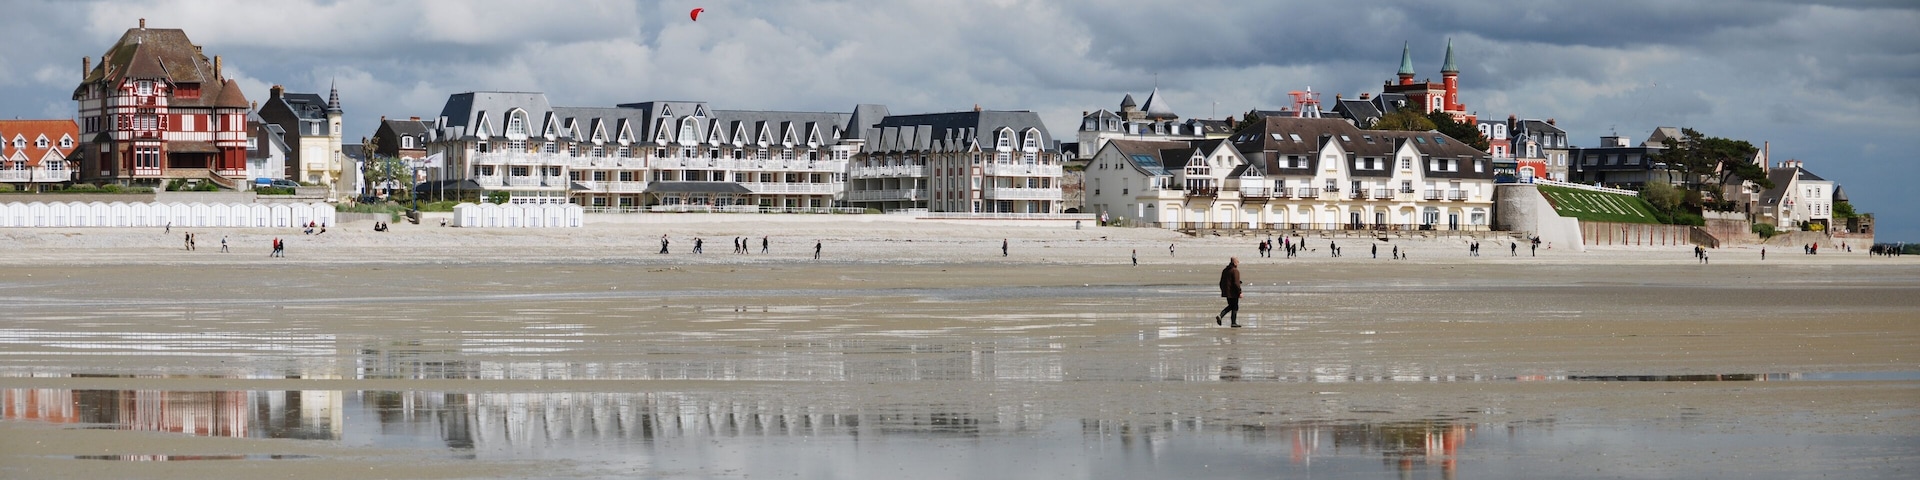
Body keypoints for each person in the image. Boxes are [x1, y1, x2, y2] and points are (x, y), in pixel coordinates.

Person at [1215, 257, 1243, 328]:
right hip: (1233, 292)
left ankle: (1224, 317)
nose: (1238, 263)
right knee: (1234, 306)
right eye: (1237, 262)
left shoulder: (1225, 270)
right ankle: (1231, 322)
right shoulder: (1235, 271)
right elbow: (1236, 283)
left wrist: (1223, 290)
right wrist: (1239, 292)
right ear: (1234, 263)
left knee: (1231, 306)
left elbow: (1222, 282)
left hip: (1227, 291)